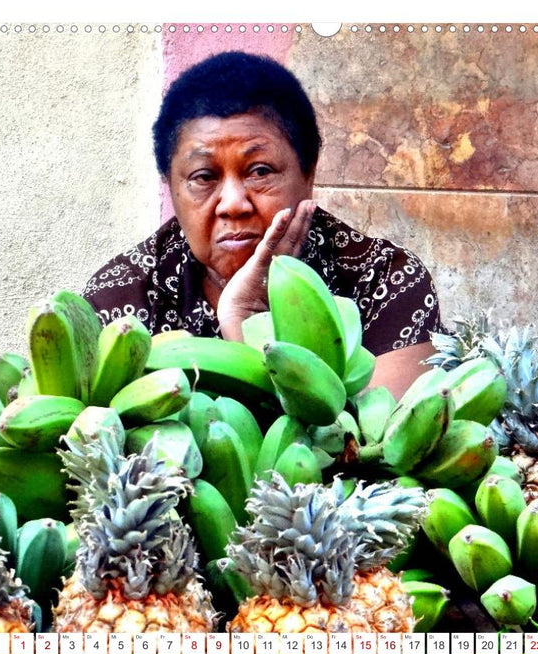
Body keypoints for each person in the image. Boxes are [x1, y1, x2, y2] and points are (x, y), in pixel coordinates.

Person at [84, 51, 446, 399]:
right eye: (203, 176)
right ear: (171, 186)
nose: (233, 204)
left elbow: (384, 447)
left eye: (259, 171)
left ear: (309, 172)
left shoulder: (382, 280)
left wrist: (245, 328)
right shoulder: (125, 301)